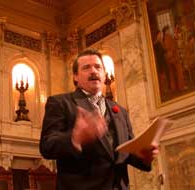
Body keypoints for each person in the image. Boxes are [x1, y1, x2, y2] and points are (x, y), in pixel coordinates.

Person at [39, 49, 158, 190]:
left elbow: (127, 153)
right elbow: (47, 146)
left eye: (98, 67)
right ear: (75, 77)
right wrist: (75, 138)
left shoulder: (120, 111)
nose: (93, 71)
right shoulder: (60, 103)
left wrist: (145, 156)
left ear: (104, 74)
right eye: (86, 67)